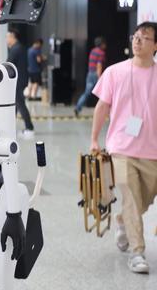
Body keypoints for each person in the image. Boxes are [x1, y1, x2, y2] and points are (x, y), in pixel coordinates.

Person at [90, 21, 157, 274]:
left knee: (143, 200)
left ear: (155, 45)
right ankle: (137, 252)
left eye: (145, 38)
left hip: (152, 151)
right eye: (135, 36)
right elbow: (102, 107)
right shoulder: (114, 72)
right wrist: (94, 139)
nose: (138, 41)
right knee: (129, 195)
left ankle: (122, 221)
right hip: (121, 148)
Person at [6, 28, 34, 138]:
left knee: (20, 104)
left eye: (7, 37)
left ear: (13, 36)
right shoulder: (19, 47)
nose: (6, 39)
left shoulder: (15, 49)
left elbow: (8, 65)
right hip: (21, 80)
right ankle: (10, 128)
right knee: (16, 105)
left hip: (17, 82)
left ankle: (29, 127)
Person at [75, 37, 107, 117]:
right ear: (101, 44)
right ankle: (106, 111)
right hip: (96, 74)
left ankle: (77, 108)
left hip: (90, 74)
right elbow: (99, 65)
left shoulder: (93, 51)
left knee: (86, 93)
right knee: (104, 93)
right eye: (104, 43)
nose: (105, 45)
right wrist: (99, 78)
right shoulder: (101, 53)